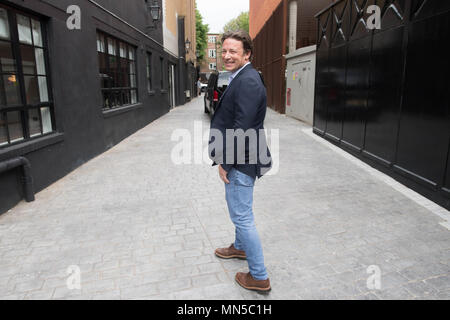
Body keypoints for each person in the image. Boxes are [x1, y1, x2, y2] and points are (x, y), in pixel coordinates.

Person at [208, 31, 272, 292]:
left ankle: (259, 276)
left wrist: (226, 162)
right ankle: (239, 247)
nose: (226, 55)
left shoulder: (247, 81)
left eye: (233, 51)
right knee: (239, 209)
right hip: (244, 156)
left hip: (241, 160)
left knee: (242, 216)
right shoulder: (242, 77)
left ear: (247, 54)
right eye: (224, 50)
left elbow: (241, 128)